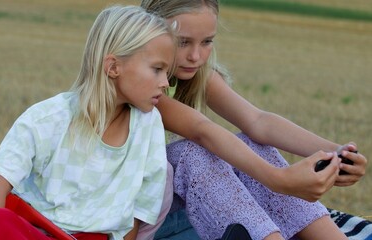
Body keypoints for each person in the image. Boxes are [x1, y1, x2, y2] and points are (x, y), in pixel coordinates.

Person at [0, 5, 177, 240]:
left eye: (166, 72)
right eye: (157, 69)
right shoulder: (50, 117)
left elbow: (132, 218)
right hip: (18, 225)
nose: (165, 82)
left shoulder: (148, 126)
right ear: (113, 67)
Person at [139, 0, 368, 239]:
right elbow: (201, 131)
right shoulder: (139, 84)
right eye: (183, 42)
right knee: (190, 153)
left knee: (252, 145)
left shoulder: (199, 75)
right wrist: (278, 180)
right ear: (150, 32)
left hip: (176, 212)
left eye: (207, 42)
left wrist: (338, 154)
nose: (196, 56)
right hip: (140, 217)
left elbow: (258, 121)